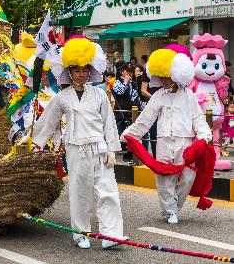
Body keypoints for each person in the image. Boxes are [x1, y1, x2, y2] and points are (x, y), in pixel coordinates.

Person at [33, 36, 126, 250]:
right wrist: (35, 142)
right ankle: (80, 233)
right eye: (76, 70)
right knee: (79, 192)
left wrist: (112, 148)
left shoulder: (100, 95)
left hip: (100, 149)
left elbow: (109, 123)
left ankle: (111, 235)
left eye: (85, 70)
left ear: (90, 71)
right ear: (69, 72)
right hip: (75, 149)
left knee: (108, 191)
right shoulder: (62, 97)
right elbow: (48, 121)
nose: (81, 74)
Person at [122, 47, 211, 225]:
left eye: (167, 76)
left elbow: (198, 119)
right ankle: (170, 210)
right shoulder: (158, 96)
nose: (163, 80)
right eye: (161, 76)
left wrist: (204, 136)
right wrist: (129, 135)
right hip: (164, 142)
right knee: (164, 177)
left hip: (186, 143)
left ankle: (175, 207)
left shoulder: (189, 96)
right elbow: (145, 120)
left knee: (187, 178)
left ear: (177, 75)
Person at [112, 64, 144, 161]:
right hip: (121, 113)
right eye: (127, 71)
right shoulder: (117, 82)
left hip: (131, 113)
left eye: (131, 72)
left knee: (131, 133)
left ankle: (130, 154)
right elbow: (119, 92)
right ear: (122, 72)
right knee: (121, 133)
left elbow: (135, 97)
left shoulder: (132, 83)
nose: (129, 73)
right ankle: (123, 154)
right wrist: (125, 82)